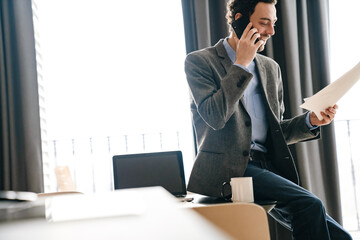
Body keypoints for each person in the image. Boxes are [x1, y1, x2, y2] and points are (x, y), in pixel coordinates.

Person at [184, 0, 352, 239]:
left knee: (341, 237)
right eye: (264, 23)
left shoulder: (270, 68)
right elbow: (215, 117)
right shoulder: (200, 62)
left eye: (273, 24)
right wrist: (241, 63)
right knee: (309, 204)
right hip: (230, 172)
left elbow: (276, 132)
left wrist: (310, 121)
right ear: (239, 20)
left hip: (267, 168)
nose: (271, 32)